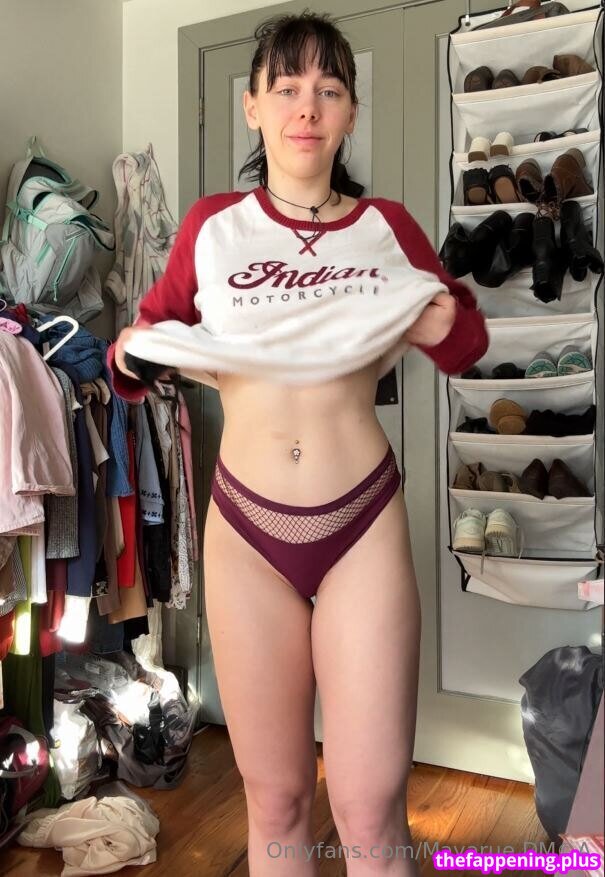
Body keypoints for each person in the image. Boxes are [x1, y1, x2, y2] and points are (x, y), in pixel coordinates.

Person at [107, 11, 488, 875]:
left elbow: (462, 345)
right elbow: (148, 340)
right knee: (276, 800)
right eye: (284, 88)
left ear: (350, 111)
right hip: (246, 535)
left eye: (327, 89)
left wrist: (447, 321)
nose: (305, 107)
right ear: (252, 107)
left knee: (368, 809)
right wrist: (130, 357)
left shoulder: (387, 228)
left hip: (361, 528)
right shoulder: (212, 228)